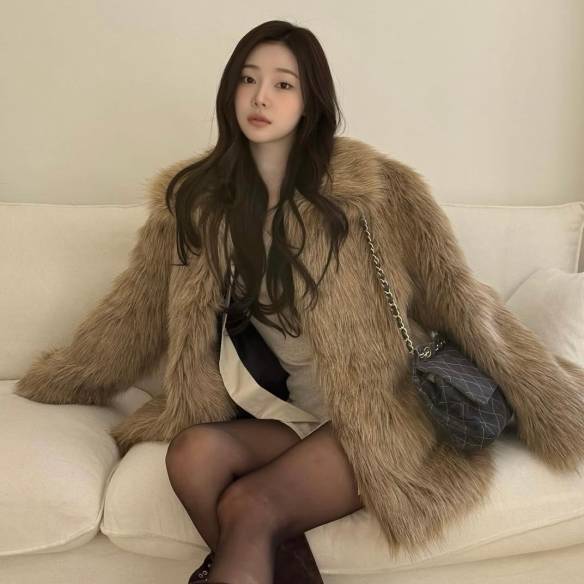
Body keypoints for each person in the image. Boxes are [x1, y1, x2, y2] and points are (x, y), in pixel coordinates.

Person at [15, 18, 584, 584]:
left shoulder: (379, 192)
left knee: (250, 506)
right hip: (283, 413)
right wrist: (64, 376)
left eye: (283, 84)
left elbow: (457, 295)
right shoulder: (195, 203)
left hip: (380, 408)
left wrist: (547, 398)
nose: (260, 96)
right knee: (191, 454)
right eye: (247, 79)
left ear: (311, 102)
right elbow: (135, 309)